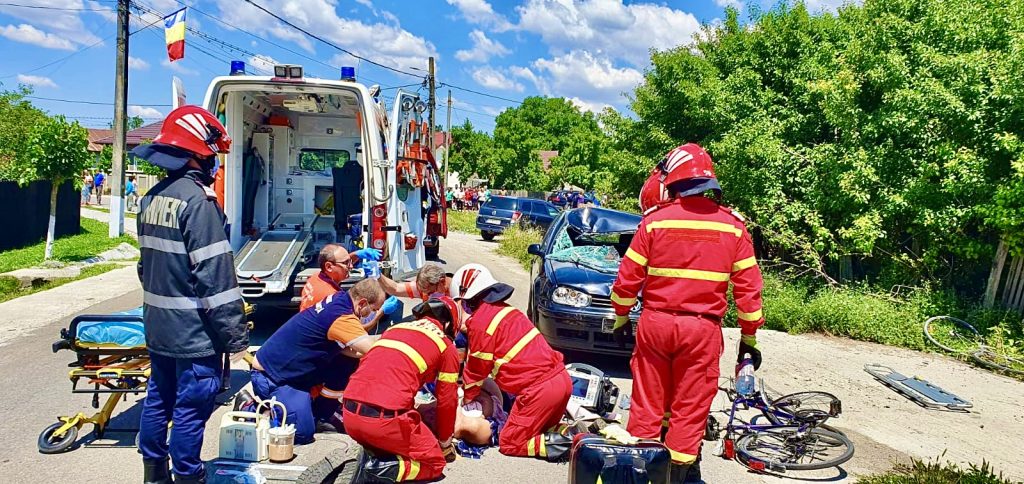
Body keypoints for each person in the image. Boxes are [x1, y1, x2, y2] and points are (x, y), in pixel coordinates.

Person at [610, 143, 765, 483]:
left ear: (675, 181)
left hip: (655, 324)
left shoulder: (654, 222)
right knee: (689, 408)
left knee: (648, 402)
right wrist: (749, 339)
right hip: (701, 330)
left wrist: (621, 315)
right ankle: (679, 474)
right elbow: (749, 292)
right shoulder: (734, 227)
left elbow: (627, 280)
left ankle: (642, 471)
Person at [131, 105, 249, 484]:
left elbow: (144, 268)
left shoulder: (152, 199)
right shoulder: (198, 203)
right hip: (194, 333)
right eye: (212, 155)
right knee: (190, 407)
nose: (215, 164)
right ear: (198, 153)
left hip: (159, 328)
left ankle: (153, 474)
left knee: (158, 399)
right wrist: (235, 338)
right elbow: (215, 278)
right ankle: (188, 476)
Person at [450, 263, 575, 462]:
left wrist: (466, 400)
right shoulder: (505, 312)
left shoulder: (481, 323)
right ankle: (567, 435)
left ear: (466, 300)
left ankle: (556, 446)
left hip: (539, 392)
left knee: (510, 442)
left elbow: (475, 373)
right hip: (561, 382)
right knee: (542, 428)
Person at [250, 279, 385, 445]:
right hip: (273, 377)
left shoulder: (340, 300)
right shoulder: (341, 316)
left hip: (295, 370)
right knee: (301, 434)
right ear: (363, 302)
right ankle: (253, 409)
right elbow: (374, 350)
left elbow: (350, 348)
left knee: (347, 362)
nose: (374, 314)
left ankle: (322, 413)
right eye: (373, 310)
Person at [344, 296, 462, 482]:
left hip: (349, 415)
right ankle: (377, 469)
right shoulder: (445, 345)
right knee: (434, 464)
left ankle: (373, 453)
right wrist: (445, 442)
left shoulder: (394, 329)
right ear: (448, 325)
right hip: (384, 422)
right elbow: (447, 401)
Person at [298, 244, 398, 332]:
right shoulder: (332, 299)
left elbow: (338, 264)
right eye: (346, 263)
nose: (351, 266)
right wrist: (381, 312)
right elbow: (357, 331)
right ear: (328, 266)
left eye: (350, 261)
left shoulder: (316, 277)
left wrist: (357, 254)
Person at [377, 262, 450, 302]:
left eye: (431, 292)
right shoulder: (426, 287)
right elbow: (396, 288)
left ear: (442, 282)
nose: (428, 295)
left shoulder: (458, 293)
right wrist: (378, 275)